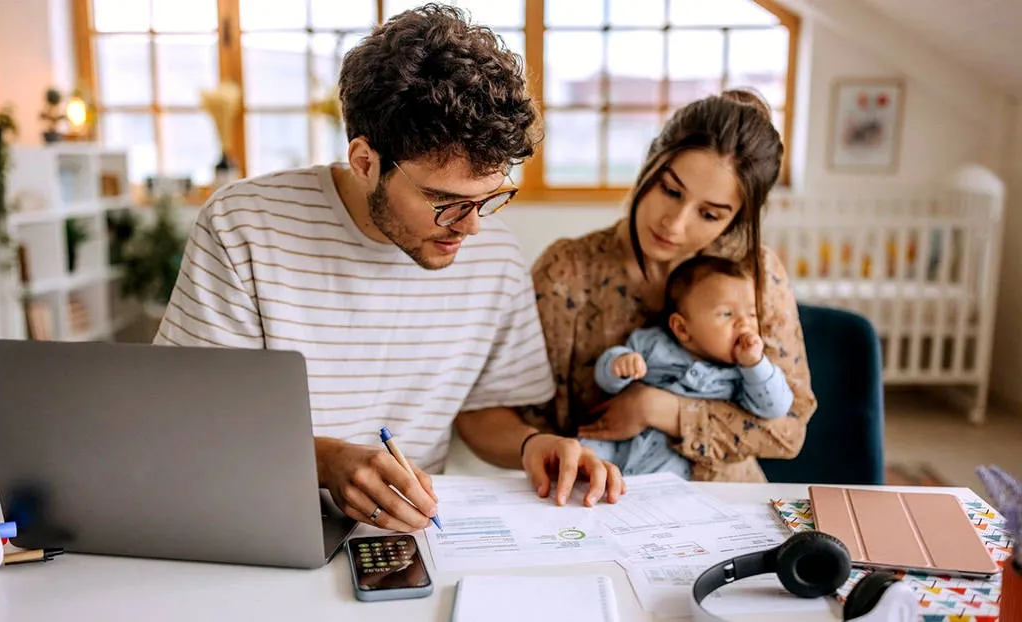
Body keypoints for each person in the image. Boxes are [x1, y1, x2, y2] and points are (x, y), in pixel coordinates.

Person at [152, 3, 625, 534]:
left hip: (412, 534)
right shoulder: (245, 225)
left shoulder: (495, 254)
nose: (471, 227)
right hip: (261, 517)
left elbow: (482, 411)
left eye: (488, 198)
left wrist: (532, 444)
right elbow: (191, 419)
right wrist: (326, 462)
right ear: (364, 162)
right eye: (444, 201)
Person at [531, 88, 817, 483]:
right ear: (650, 162)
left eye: (709, 214)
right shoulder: (566, 272)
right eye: (670, 190)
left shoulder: (758, 273)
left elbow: (788, 430)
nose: (675, 224)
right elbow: (524, 421)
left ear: (735, 220)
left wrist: (658, 409)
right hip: (597, 495)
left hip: (724, 501)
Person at [584, 254, 794, 478]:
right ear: (682, 329)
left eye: (752, 314)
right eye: (727, 313)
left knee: (667, 484)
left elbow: (775, 408)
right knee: (584, 454)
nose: (745, 323)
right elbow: (606, 382)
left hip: (673, 457)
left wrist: (755, 365)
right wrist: (619, 364)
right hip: (620, 444)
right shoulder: (653, 343)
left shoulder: (742, 374)